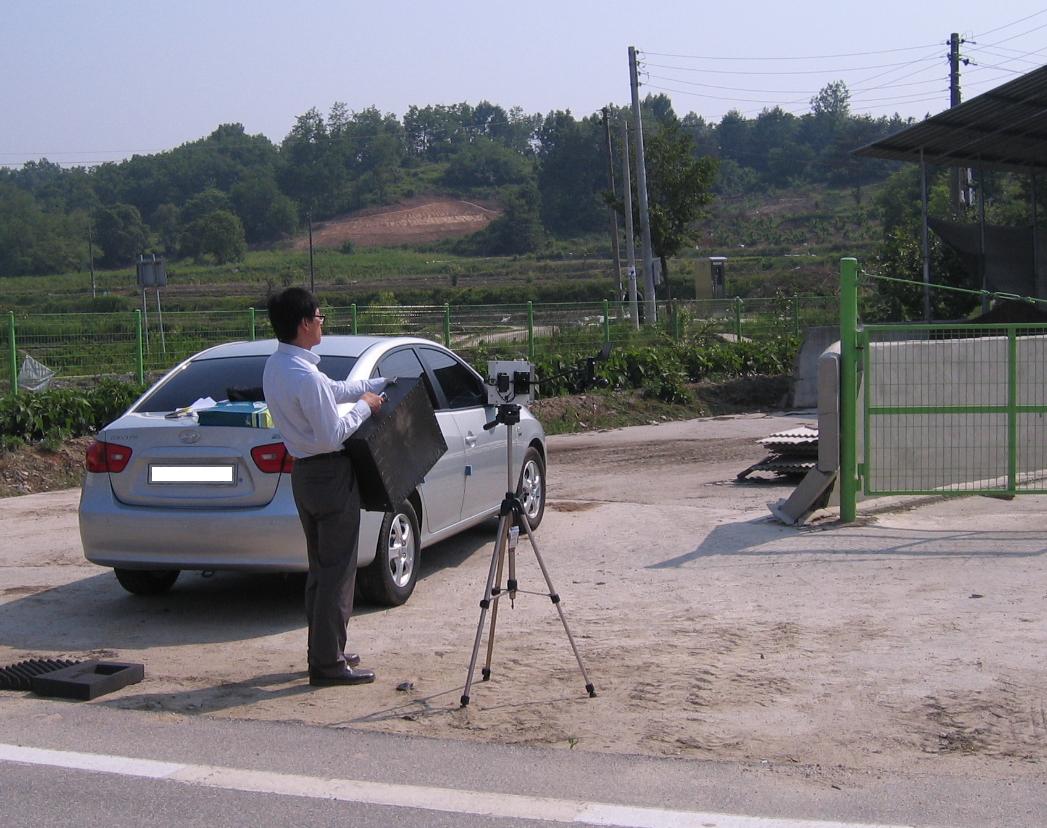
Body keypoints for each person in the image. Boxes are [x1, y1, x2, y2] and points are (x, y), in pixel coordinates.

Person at [262, 287, 389, 687]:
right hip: (330, 475)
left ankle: (325, 649)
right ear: (303, 323)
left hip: (304, 475)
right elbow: (333, 433)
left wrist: (375, 385)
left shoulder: (280, 366)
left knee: (321, 569)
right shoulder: (304, 376)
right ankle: (328, 664)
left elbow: (331, 390)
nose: (322, 324)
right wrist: (365, 407)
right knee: (337, 572)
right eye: (319, 317)